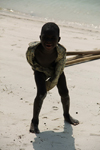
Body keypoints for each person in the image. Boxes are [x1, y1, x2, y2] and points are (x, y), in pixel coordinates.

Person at [26, 22, 79, 134]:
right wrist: (38, 70)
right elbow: (31, 62)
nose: (49, 41)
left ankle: (66, 115)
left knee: (64, 92)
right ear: (40, 37)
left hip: (56, 70)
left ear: (58, 39)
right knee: (41, 94)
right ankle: (34, 121)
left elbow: (60, 67)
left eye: (53, 38)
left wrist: (53, 81)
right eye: (45, 38)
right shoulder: (32, 50)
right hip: (40, 70)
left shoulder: (61, 51)